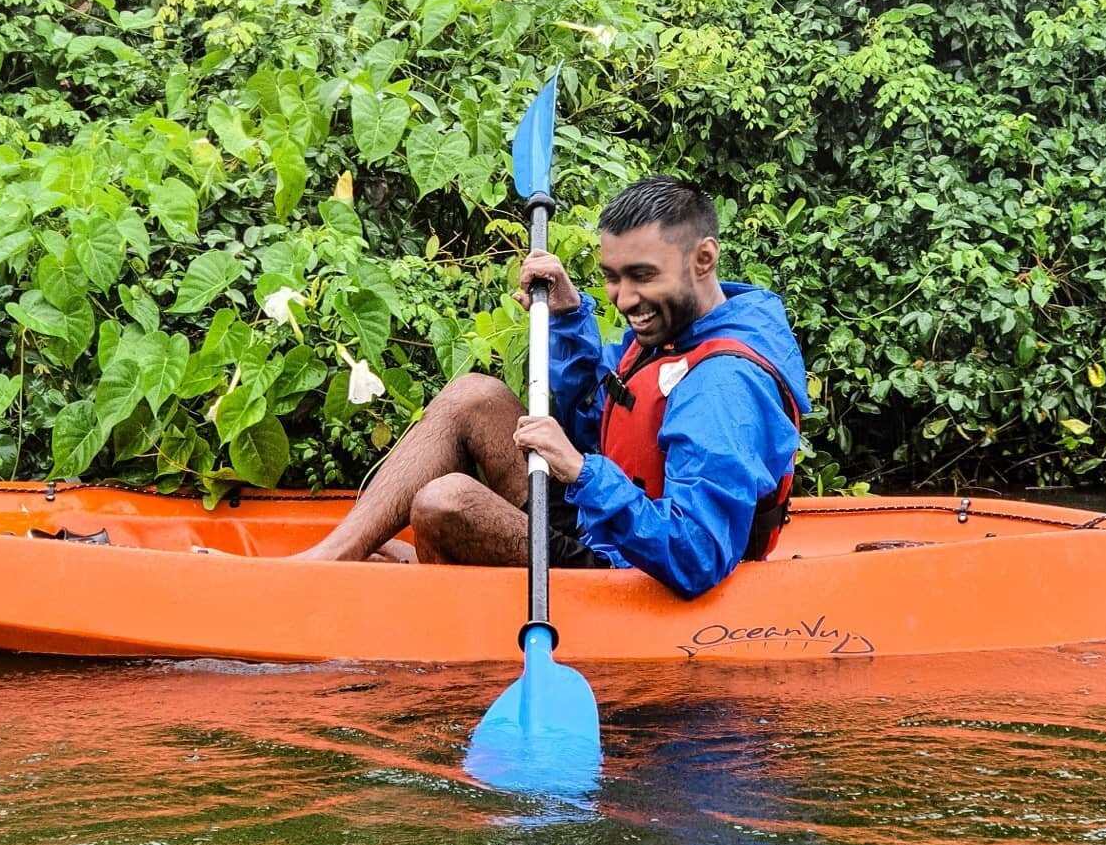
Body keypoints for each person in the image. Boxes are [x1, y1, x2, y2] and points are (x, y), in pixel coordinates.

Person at [294, 176, 807, 597]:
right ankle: (331, 558)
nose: (625, 299)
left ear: (703, 260)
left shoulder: (724, 387)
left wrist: (582, 473)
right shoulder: (677, 326)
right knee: (475, 394)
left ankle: (412, 577)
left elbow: (696, 556)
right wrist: (566, 316)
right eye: (613, 276)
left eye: (642, 276)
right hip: (602, 524)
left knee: (444, 502)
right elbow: (601, 414)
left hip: (634, 570)